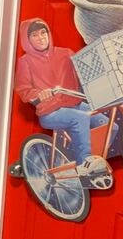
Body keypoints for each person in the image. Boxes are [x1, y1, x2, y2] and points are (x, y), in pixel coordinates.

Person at [14, 19, 114, 182]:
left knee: (110, 126)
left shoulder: (66, 53)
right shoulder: (25, 62)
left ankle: (92, 158)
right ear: (27, 39)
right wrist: (39, 94)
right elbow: (24, 90)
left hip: (74, 103)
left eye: (43, 32)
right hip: (50, 112)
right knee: (80, 118)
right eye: (34, 35)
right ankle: (84, 163)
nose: (40, 38)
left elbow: (84, 71)